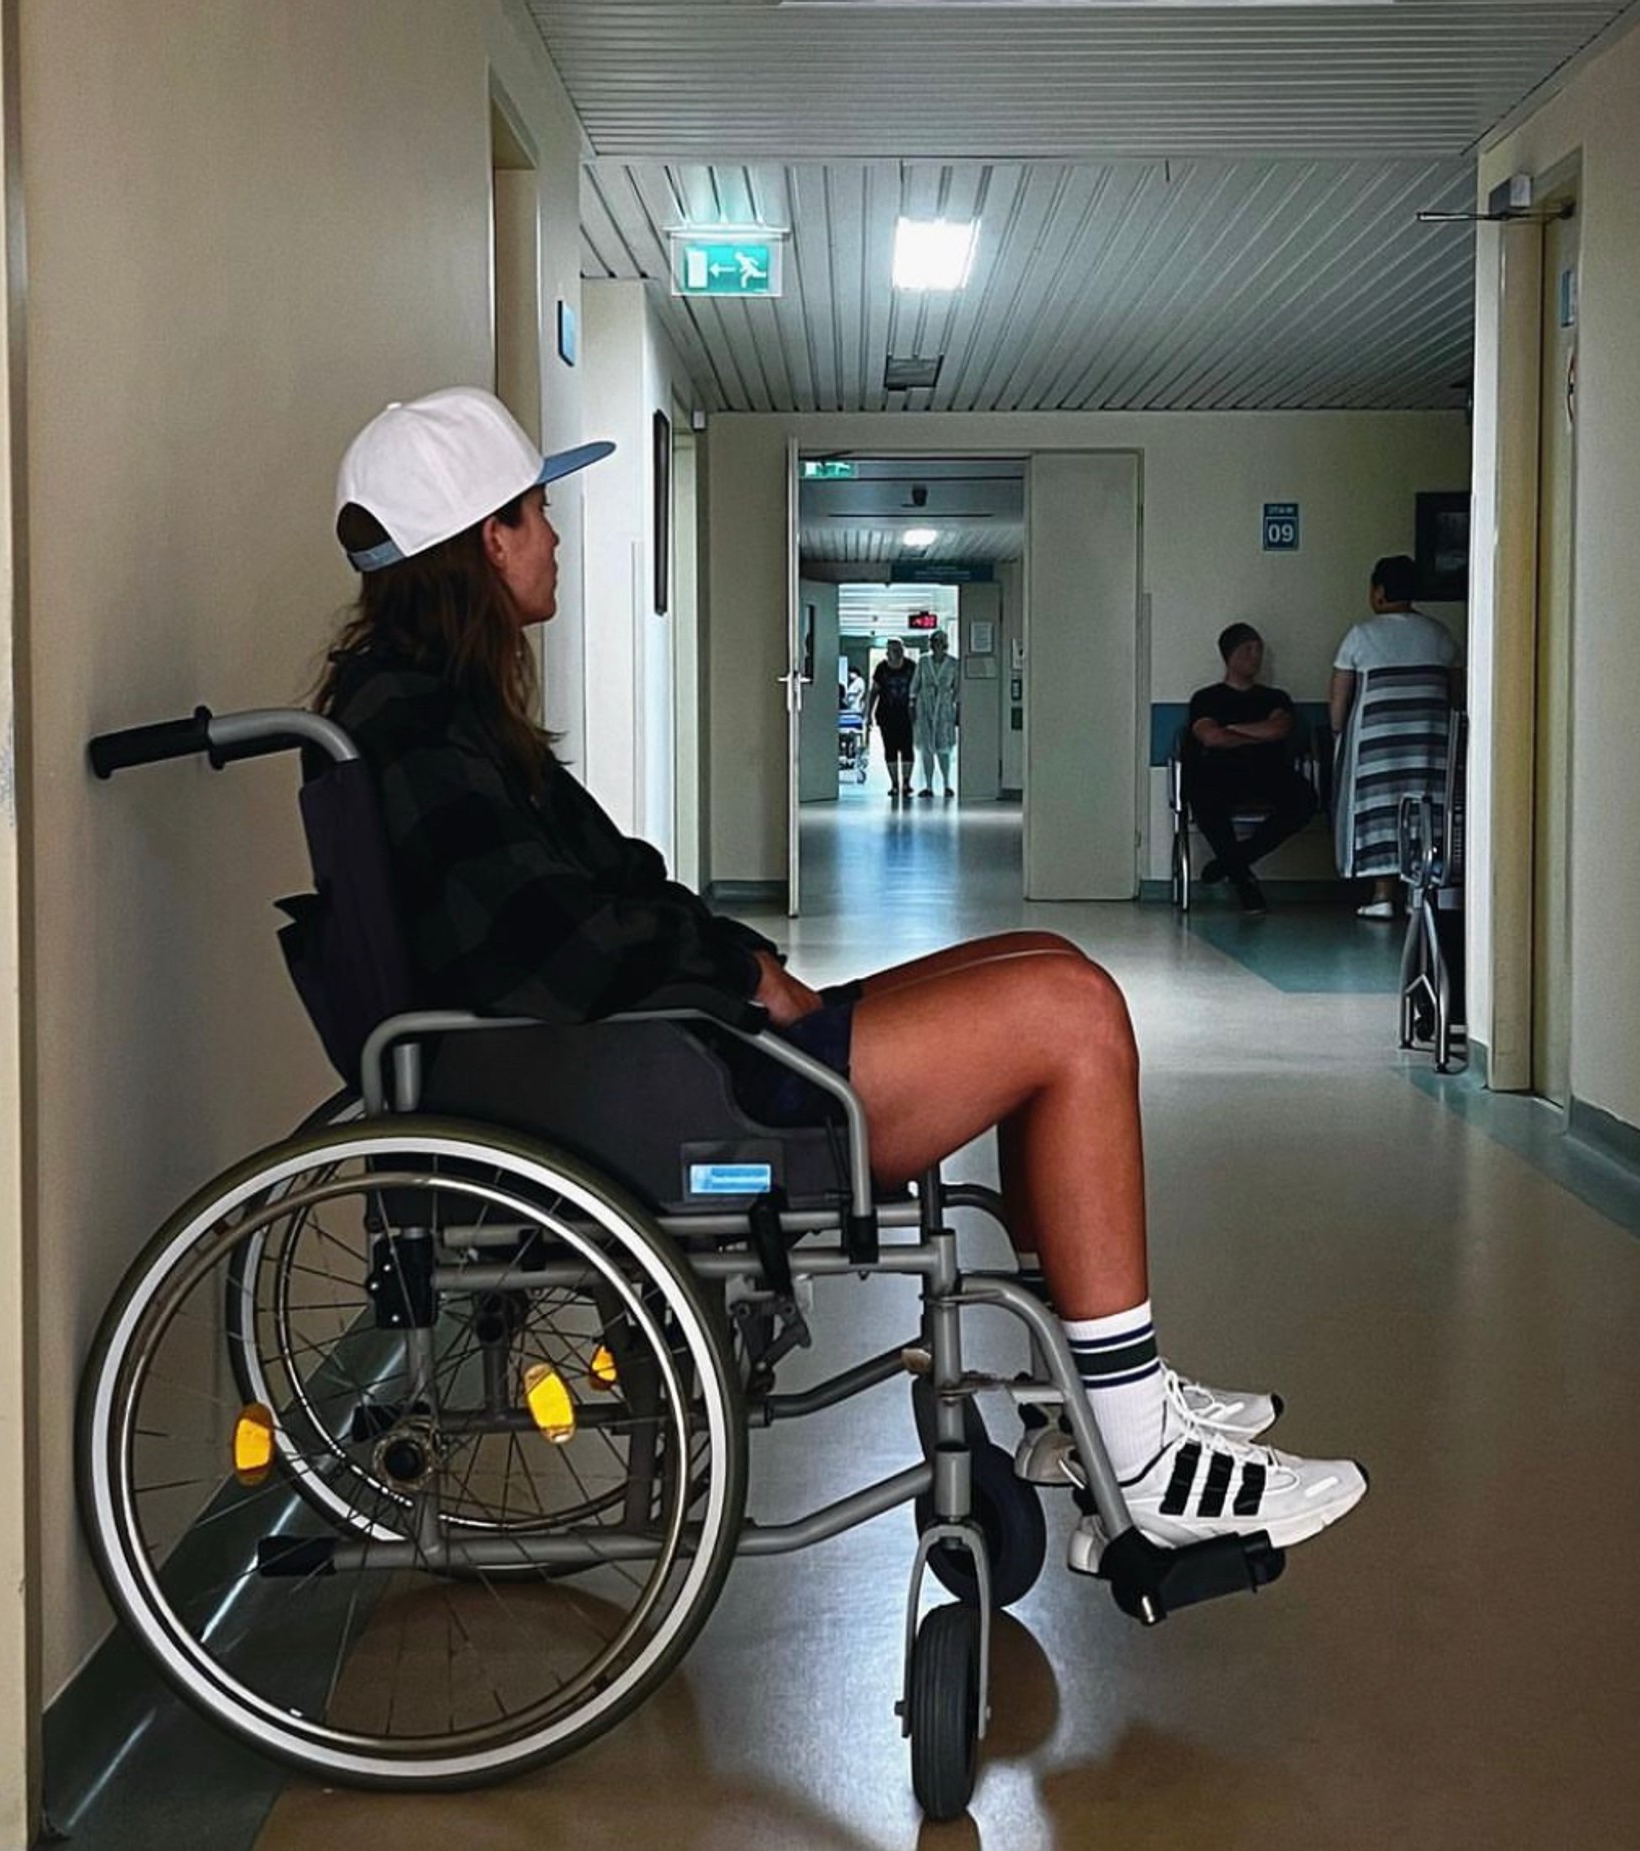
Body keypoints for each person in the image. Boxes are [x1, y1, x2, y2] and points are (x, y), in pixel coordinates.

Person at [319, 386, 1366, 1560]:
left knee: (1044, 959)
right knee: (1070, 1013)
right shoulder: (424, 733)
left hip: (657, 1049)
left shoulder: (436, 714)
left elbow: (597, 898)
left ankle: (1082, 1397)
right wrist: (738, 968)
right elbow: (549, 942)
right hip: (661, 1087)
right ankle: (1138, 1449)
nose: (555, 536)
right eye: (536, 512)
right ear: (484, 540)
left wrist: (739, 960)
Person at [1329, 556, 1460, 919]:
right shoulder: (1440, 634)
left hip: (1376, 746)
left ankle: (1383, 894)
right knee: (1426, 809)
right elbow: (1456, 695)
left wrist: (1339, 735)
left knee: (1381, 812)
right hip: (1428, 744)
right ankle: (1418, 892)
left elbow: (1339, 698)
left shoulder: (1361, 635)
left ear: (1380, 591)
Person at [1185, 623, 1316, 914]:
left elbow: (1280, 729)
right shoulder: (1206, 698)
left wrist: (1232, 730)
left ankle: (1232, 862)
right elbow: (1210, 736)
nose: (1255, 656)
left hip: (1267, 772)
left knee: (1305, 799)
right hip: (1220, 775)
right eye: (1247, 649)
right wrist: (1258, 733)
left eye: (1259, 650)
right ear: (1229, 656)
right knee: (1203, 796)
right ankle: (1242, 880)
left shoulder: (1275, 698)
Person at [911, 628, 961, 799]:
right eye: (934, 642)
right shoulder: (923, 661)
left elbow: (958, 688)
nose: (936, 645)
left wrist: (952, 704)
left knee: (943, 748)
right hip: (925, 707)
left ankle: (947, 784)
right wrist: (912, 703)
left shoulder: (953, 663)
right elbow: (915, 683)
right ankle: (928, 785)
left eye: (940, 642)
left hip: (944, 709)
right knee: (926, 748)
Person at [867, 638, 916, 799]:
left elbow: (919, 689)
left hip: (907, 715)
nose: (896, 653)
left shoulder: (911, 667)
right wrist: (868, 714)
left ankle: (906, 783)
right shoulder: (881, 668)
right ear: (887, 652)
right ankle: (894, 783)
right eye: (893, 650)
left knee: (907, 748)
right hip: (886, 715)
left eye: (899, 649)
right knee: (890, 749)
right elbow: (874, 692)